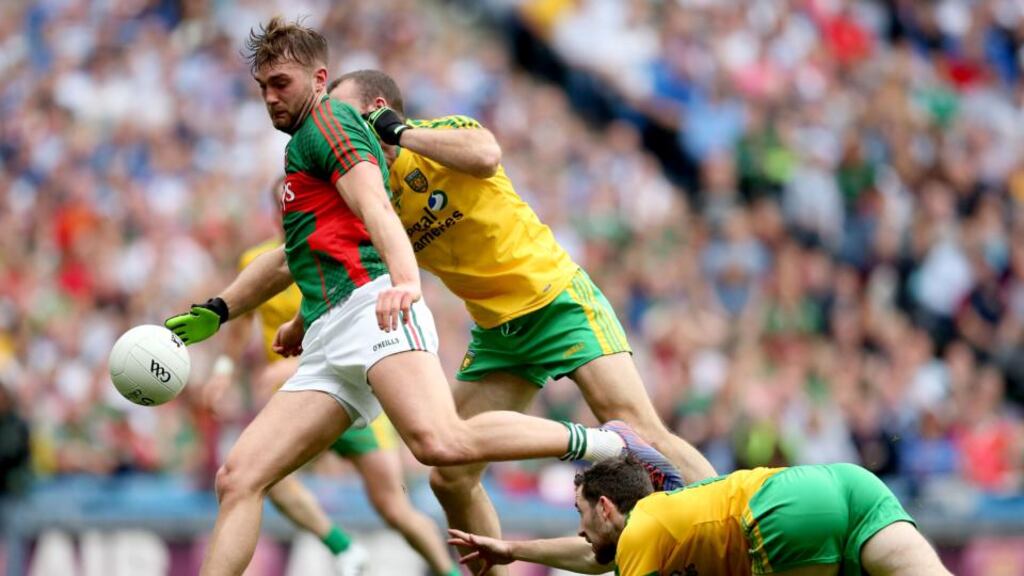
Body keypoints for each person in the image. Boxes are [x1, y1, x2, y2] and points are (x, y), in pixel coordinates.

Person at [164, 17, 681, 576]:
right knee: (240, 477)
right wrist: (222, 310)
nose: (269, 98)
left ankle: (618, 453)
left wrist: (406, 280)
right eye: (262, 86)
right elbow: (295, 256)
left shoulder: (332, 125)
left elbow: (400, 199)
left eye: (280, 83)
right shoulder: (304, 154)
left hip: (417, 307)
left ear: (318, 79)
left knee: (441, 443)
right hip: (359, 329)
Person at [327, 70, 717, 574]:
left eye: (348, 120)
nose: (339, 135)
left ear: (378, 109)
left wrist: (398, 132)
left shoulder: (440, 135)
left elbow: (486, 154)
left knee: (640, 427)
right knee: (448, 472)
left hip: (555, 300)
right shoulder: (371, 191)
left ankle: (737, 531)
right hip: (498, 335)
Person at [203, 204, 460, 576]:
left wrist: (295, 356)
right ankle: (340, 545)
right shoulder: (258, 262)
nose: (289, 216)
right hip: (300, 395)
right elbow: (242, 323)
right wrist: (224, 370)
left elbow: (352, 315)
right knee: (250, 476)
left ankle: (447, 572)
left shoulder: (335, 253)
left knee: (392, 505)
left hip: (346, 377)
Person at [449, 456, 954, 576]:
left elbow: (605, 553)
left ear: (606, 507)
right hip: (845, 483)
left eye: (581, 512)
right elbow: (593, 552)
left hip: (776, 518)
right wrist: (511, 550)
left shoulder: (643, 531)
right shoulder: (659, 521)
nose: (580, 527)